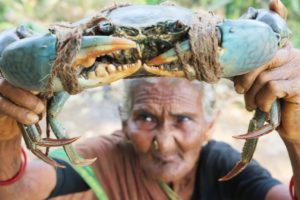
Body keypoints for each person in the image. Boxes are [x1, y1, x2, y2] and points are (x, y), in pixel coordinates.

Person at [0, 41, 300, 200]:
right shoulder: (105, 157)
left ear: (210, 125)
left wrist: (297, 138)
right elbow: (15, 191)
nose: (164, 142)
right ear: (124, 124)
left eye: (183, 119)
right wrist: (5, 136)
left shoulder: (224, 166)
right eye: (145, 117)